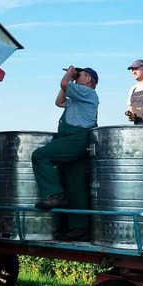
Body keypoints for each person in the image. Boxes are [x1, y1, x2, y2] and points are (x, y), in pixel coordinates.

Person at [32, 65, 99, 241]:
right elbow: (59, 101)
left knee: (40, 155)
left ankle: (54, 194)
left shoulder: (89, 93)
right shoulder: (77, 97)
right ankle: (80, 227)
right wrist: (69, 78)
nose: (77, 78)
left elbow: (64, 84)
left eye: (81, 75)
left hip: (76, 139)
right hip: (71, 140)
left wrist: (69, 75)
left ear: (89, 79)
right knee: (75, 185)